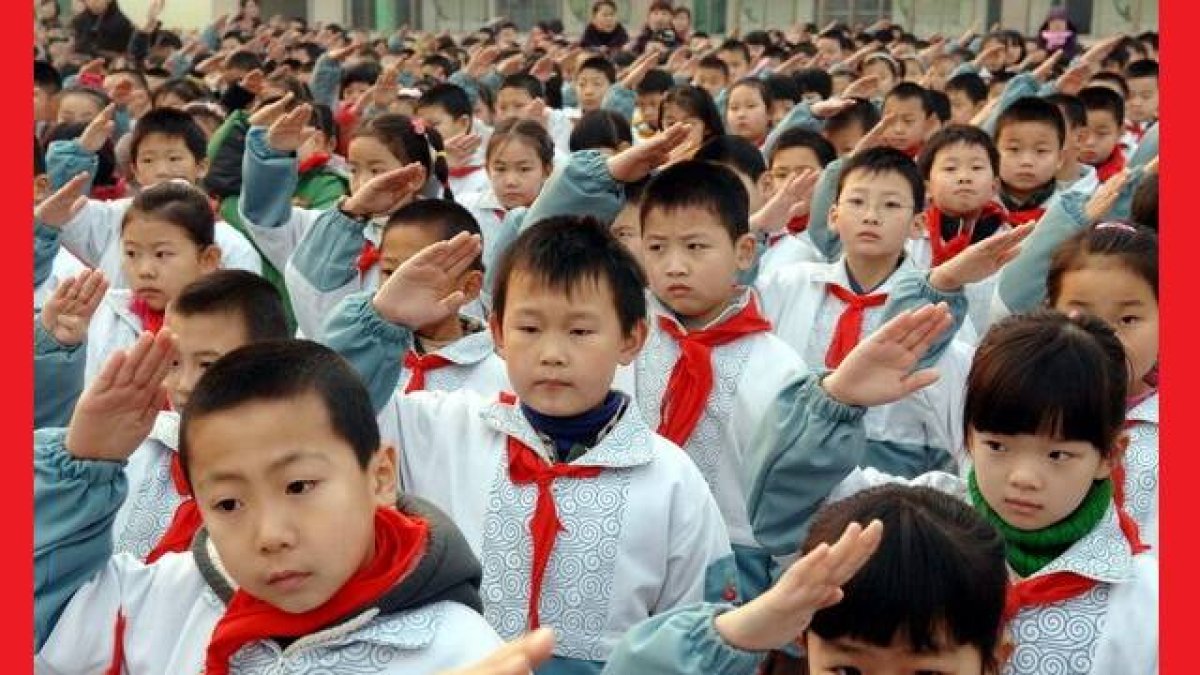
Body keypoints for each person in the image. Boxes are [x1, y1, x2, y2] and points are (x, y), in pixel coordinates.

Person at [322, 216, 737, 670]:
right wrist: (383, 320)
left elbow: (697, 625)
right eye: (529, 328)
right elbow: (327, 414)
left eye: (580, 331)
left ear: (631, 338)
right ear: (498, 332)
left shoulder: (669, 476)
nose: (552, 353)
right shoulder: (445, 428)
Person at [35, 336, 504, 672]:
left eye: (298, 487)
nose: (270, 535)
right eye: (228, 503)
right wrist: (85, 467)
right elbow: (47, 618)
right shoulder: (164, 600)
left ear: (379, 476)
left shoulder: (459, 652)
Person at [745, 310, 1157, 675]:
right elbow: (789, 509)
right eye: (998, 445)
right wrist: (837, 400)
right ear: (969, 438)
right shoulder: (905, 525)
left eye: (1058, 454)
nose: (1024, 477)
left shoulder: (1149, 602)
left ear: (1110, 455)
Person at [631, 161, 809, 597]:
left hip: (734, 558)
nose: (674, 266)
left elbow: (794, 491)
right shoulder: (626, 339)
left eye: (695, 247)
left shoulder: (779, 368)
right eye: (656, 248)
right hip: (632, 538)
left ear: (744, 252)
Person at [43, 106, 262, 288]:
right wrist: (79, 153)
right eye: (148, 160)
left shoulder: (229, 242)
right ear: (135, 170)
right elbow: (60, 213)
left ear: (202, 166)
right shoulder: (113, 218)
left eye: (174, 158)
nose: (162, 170)